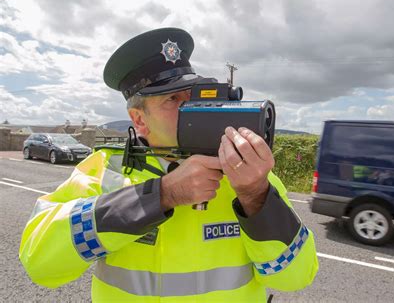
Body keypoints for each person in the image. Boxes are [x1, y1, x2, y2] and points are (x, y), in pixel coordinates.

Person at [19, 27, 318, 302]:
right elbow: (39, 262)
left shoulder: (248, 174)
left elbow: (296, 278)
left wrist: (255, 195)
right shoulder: (103, 169)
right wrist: (160, 195)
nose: (191, 107)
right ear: (139, 119)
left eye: (194, 95)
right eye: (173, 99)